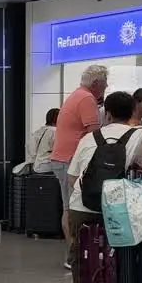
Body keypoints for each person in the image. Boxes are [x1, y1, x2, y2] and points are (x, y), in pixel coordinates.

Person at [65, 91, 142, 283]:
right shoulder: (136, 134)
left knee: (80, 253)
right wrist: (139, 156)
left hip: (82, 206)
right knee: (119, 253)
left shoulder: (88, 138)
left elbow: (72, 177)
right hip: (116, 207)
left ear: (107, 114)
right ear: (132, 112)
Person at [50, 64, 109, 268]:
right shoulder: (86, 99)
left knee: (68, 207)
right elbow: (94, 133)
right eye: (104, 83)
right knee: (73, 209)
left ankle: (74, 255)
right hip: (70, 160)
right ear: (96, 84)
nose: (106, 87)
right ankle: (74, 257)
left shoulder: (76, 95)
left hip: (61, 159)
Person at [27, 108, 58, 173]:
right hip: (48, 167)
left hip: (36, 167)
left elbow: (30, 148)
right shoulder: (55, 131)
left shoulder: (38, 131)